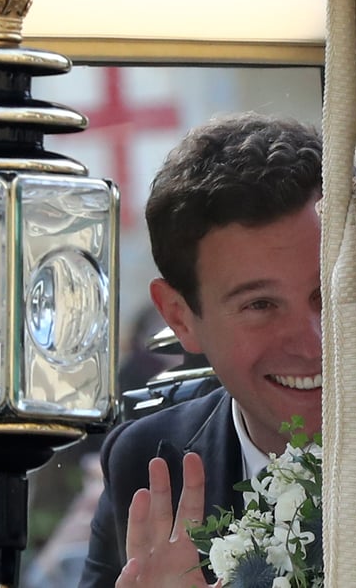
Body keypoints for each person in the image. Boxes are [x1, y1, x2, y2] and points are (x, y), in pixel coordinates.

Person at [78, 112, 323, 587]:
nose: (312, 343)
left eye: (327, 293)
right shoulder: (144, 464)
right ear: (179, 317)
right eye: (260, 304)